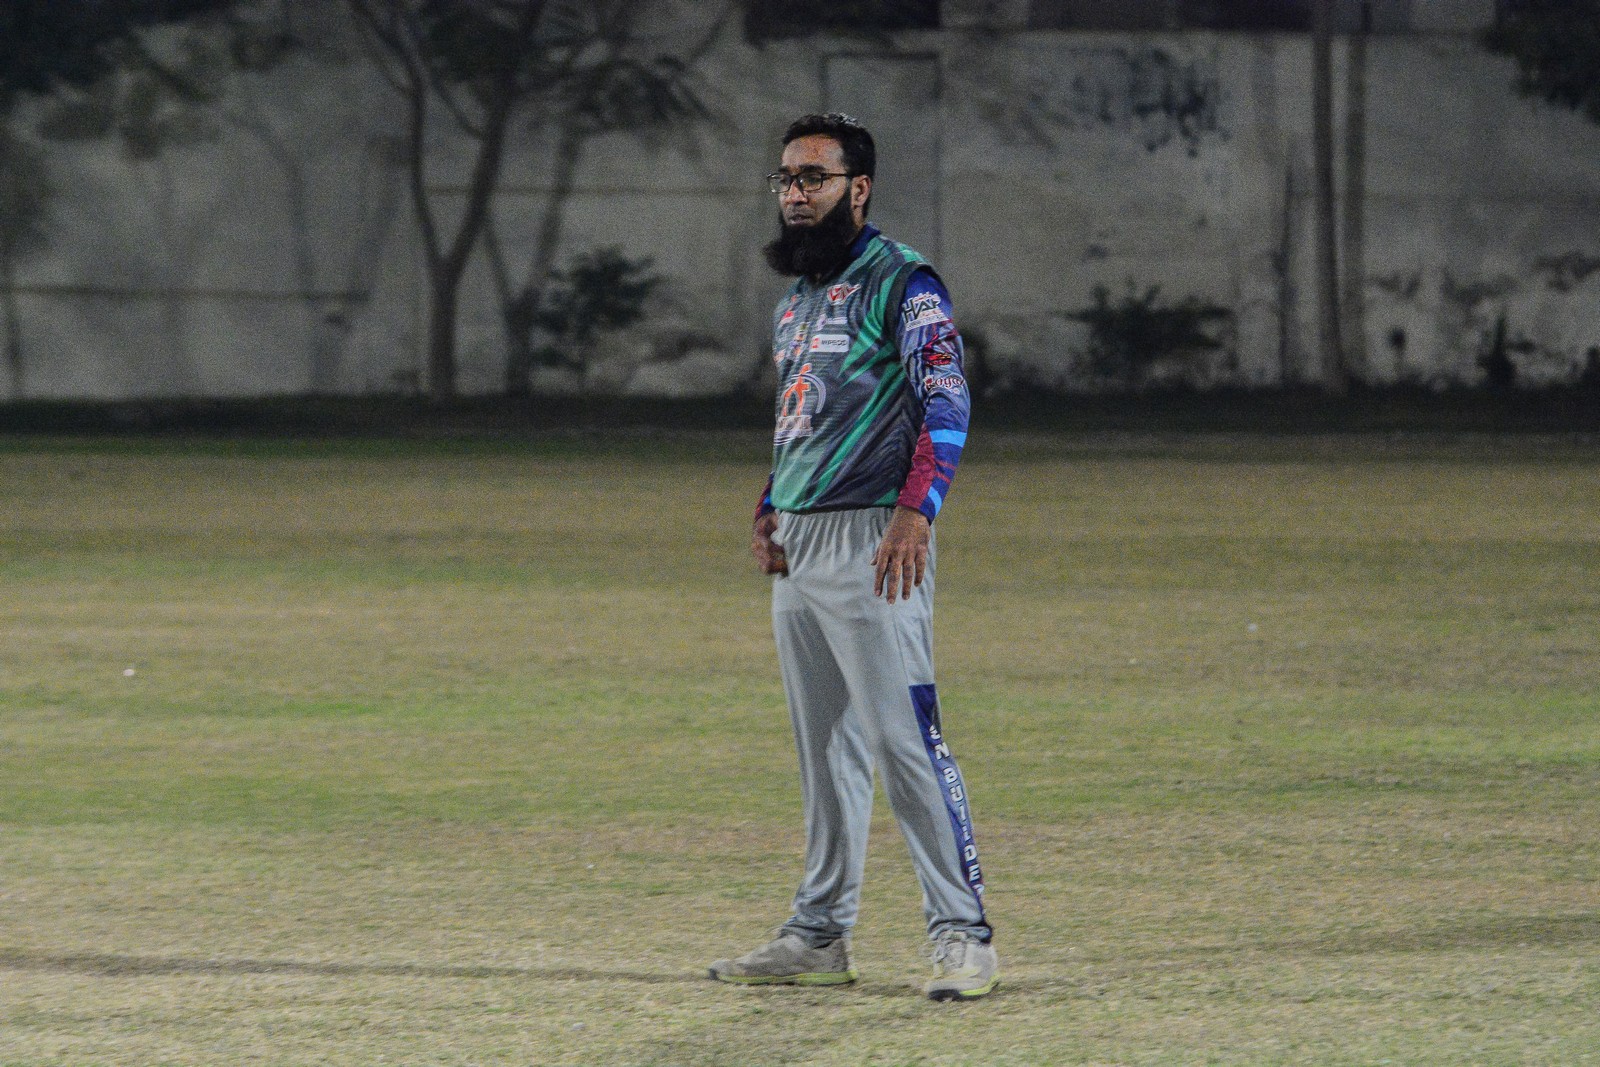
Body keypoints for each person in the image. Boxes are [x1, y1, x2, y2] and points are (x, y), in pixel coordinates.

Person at [708, 113, 998, 1001]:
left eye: (814, 178)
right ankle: (819, 933)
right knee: (824, 752)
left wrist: (918, 512)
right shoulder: (797, 298)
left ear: (857, 189)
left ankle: (963, 934)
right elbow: (805, 416)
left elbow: (946, 400)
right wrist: (770, 504)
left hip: (876, 539)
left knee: (904, 742)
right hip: (801, 546)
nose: (795, 193)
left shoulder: (902, 281)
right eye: (786, 179)